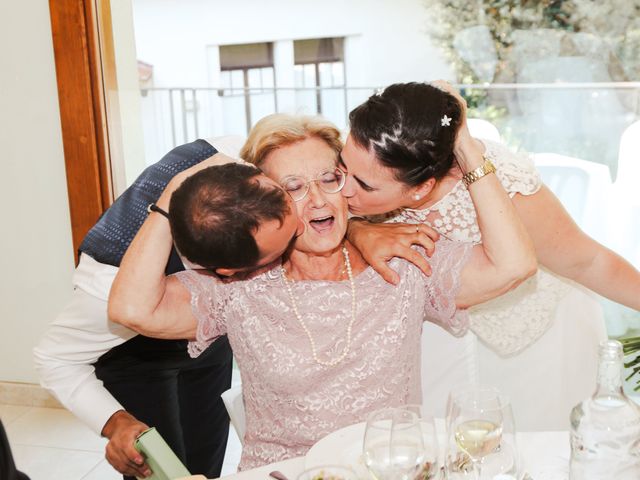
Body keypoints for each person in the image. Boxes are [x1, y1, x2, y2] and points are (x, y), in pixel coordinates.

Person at [108, 112, 537, 470]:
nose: (316, 200)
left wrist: (467, 150)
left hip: (390, 470)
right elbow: (132, 309)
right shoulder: (238, 284)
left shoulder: (403, 259)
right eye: (291, 187)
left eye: (329, 178)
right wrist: (171, 196)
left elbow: (513, 265)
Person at [340, 81, 640, 428]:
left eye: (364, 185)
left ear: (421, 189)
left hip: (537, 339)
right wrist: (357, 229)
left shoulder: (503, 184)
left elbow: (587, 261)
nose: (342, 188)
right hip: (439, 343)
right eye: (343, 168)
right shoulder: (365, 164)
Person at [33, 137, 301, 479]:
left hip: (209, 347)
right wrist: (115, 423)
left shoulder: (235, 155)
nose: (302, 234)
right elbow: (54, 358)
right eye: (286, 245)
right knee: (164, 470)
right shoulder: (109, 288)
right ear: (228, 273)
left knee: (205, 464)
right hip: (135, 357)